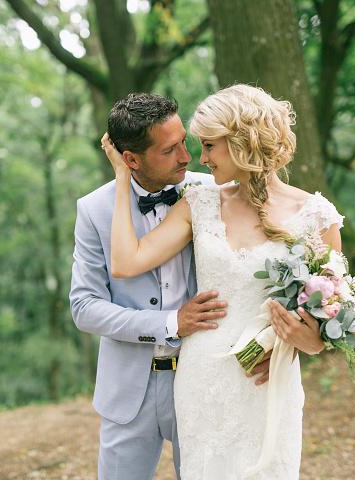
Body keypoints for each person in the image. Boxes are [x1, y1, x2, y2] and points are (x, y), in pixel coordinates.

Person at [101, 84, 344, 479]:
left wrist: (299, 342)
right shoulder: (199, 203)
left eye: (210, 145)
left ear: (242, 142)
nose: (200, 158)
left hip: (268, 381)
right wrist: (121, 176)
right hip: (203, 381)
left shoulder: (317, 216)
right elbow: (126, 262)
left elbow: (326, 326)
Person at [69, 93, 272, 480]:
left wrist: (270, 344)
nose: (186, 156)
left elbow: (255, 272)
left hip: (207, 378)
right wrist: (170, 322)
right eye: (169, 150)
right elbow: (85, 307)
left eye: (184, 142)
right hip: (128, 390)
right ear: (131, 160)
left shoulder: (214, 193)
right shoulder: (94, 209)